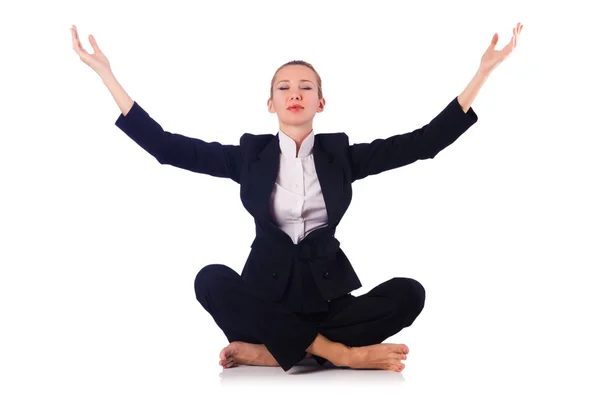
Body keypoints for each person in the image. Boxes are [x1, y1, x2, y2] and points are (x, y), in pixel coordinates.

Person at [71, 22, 523, 373]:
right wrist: (107, 74)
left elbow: (422, 143)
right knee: (210, 279)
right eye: (284, 88)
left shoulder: (340, 155)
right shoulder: (249, 156)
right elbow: (167, 147)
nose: (295, 94)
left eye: (306, 87)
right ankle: (334, 354)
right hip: (262, 300)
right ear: (270, 104)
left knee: (409, 294)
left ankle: (274, 355)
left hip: (325, 300)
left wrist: (482, 73)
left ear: (320, 103)